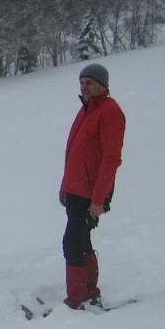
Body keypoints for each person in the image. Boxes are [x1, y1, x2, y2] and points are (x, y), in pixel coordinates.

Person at [59, 63, 125, 309]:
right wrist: (65, 186)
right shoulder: (86, 109)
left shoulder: (110, 112)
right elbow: (73, 152)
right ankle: (88, 290)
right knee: (81, 240)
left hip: (90, 193)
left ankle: (77, 297)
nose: (85, 87)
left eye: (90, 83)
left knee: (72, 242)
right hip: (75, 189)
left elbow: (111, 159)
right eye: (82, 82)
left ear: (102, 85)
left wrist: (99, 198)